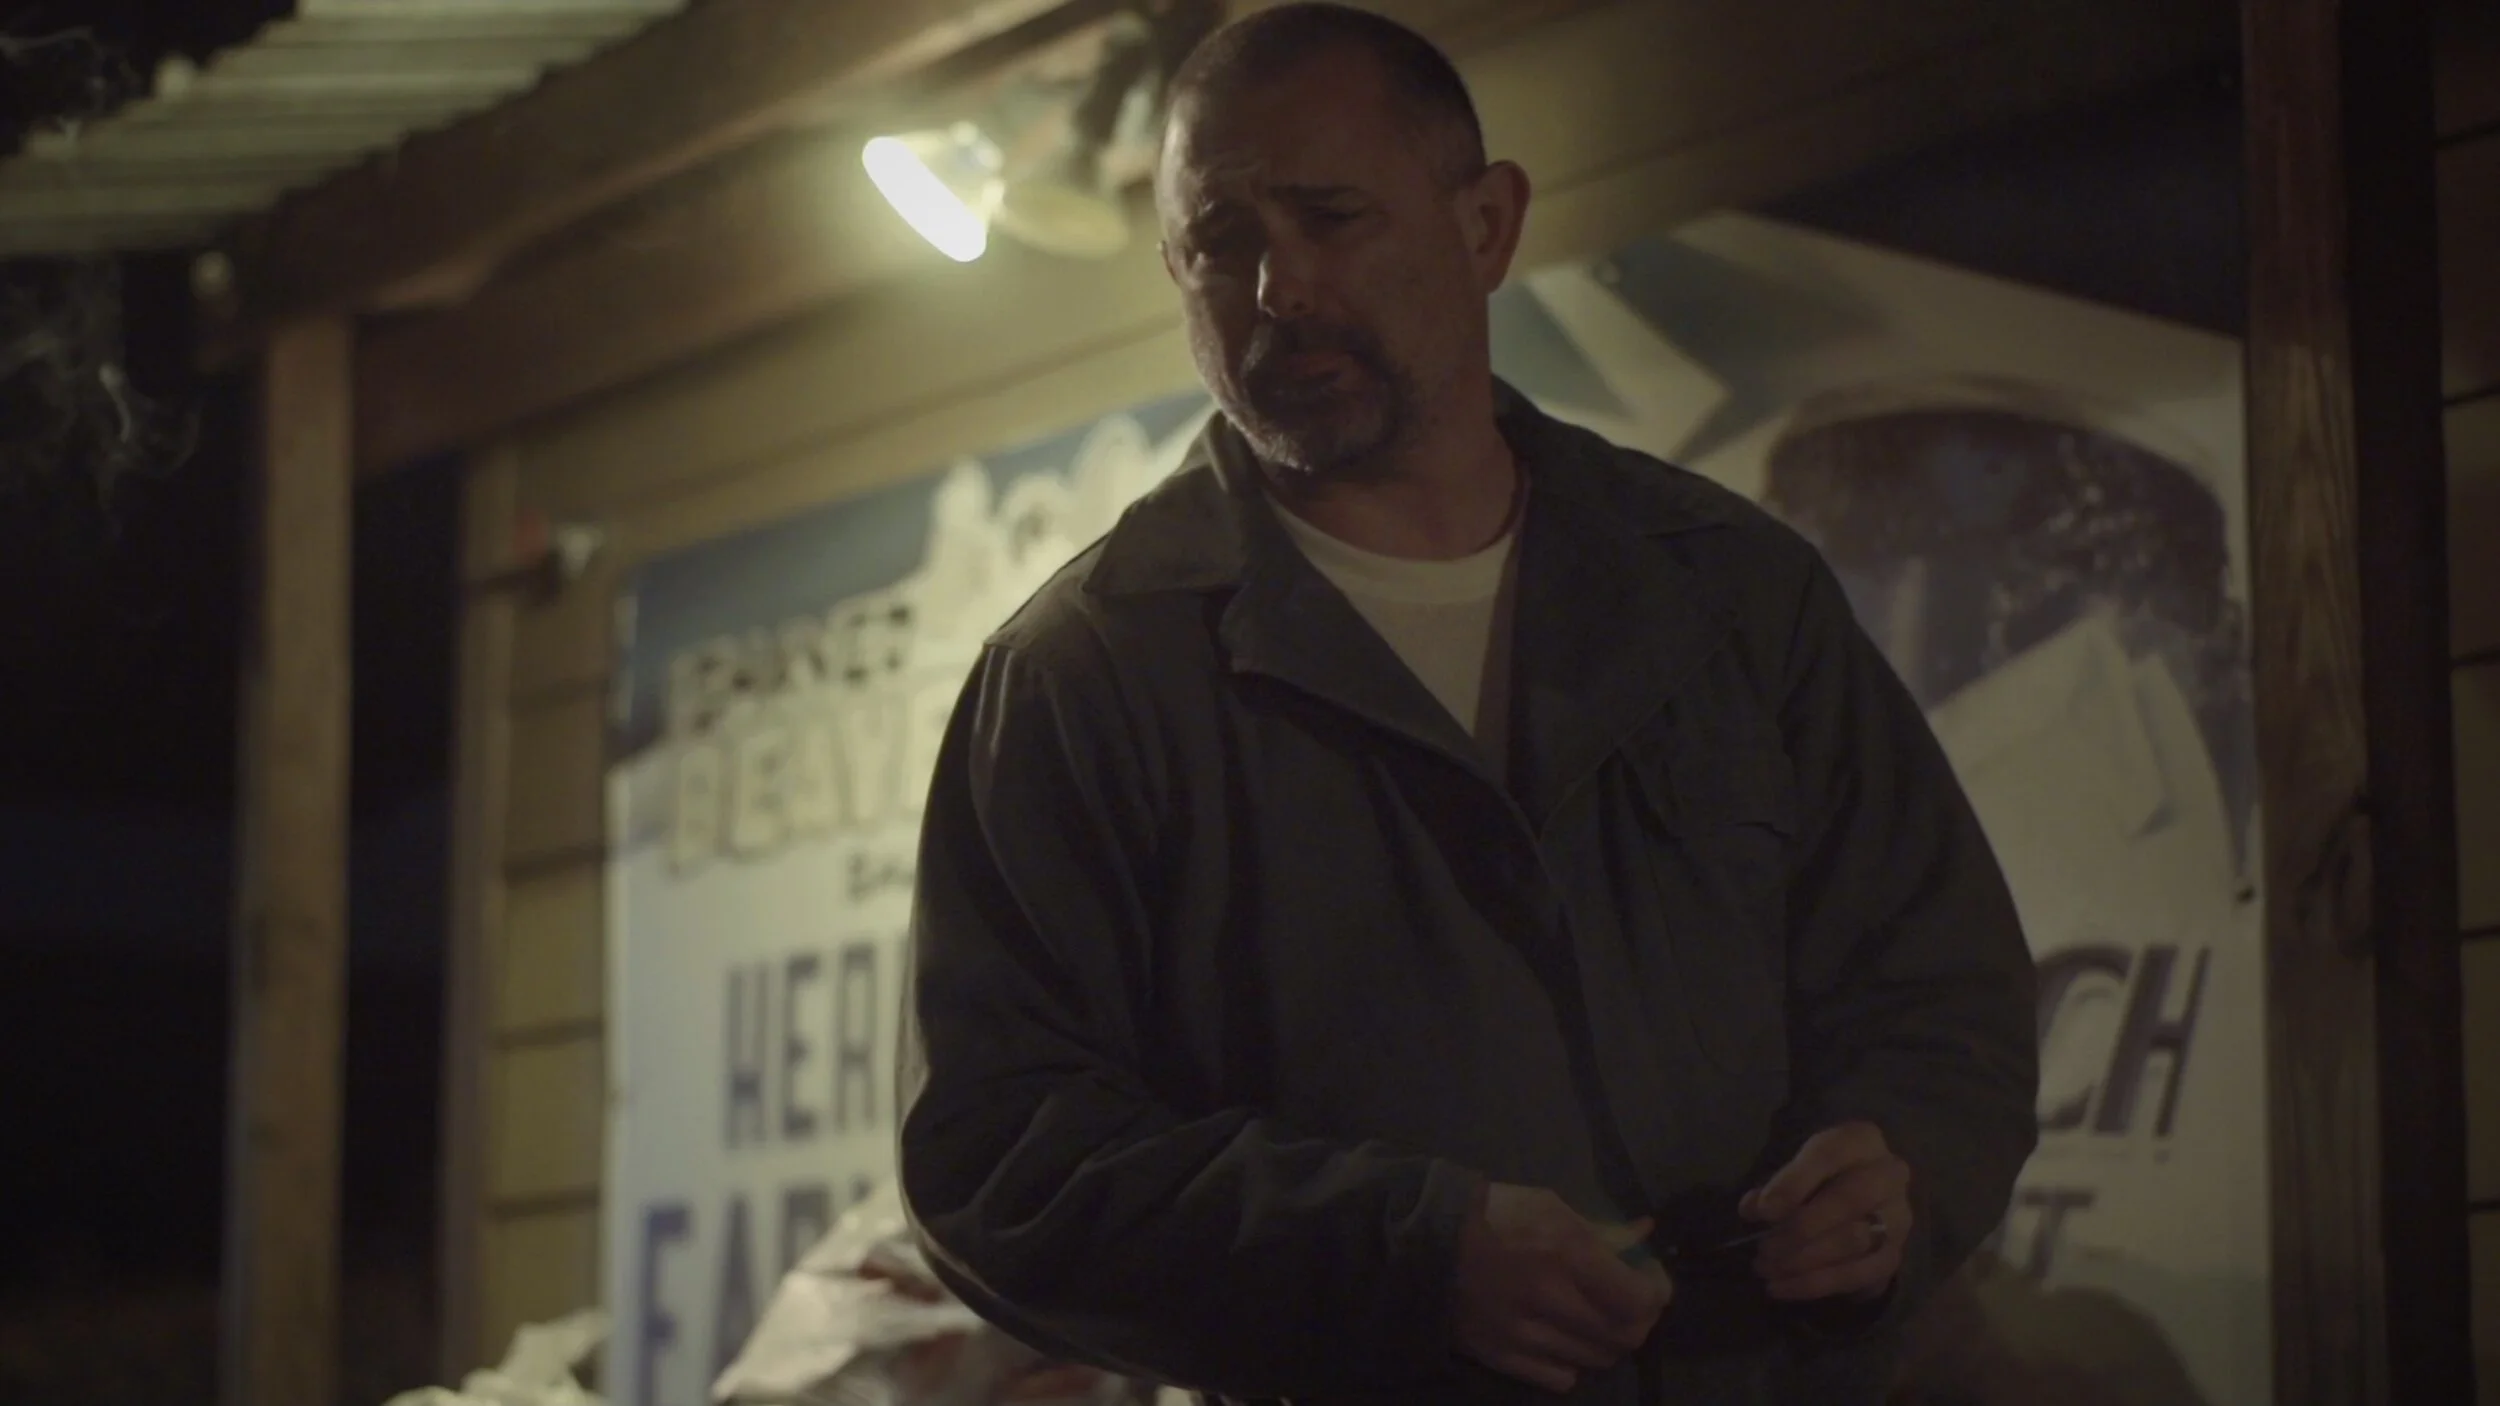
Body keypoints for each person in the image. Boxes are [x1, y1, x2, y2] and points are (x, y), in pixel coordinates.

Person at [895, 6, 2039, 1404]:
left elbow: (1944, 998)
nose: (1278, 288)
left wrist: (1895, 1174)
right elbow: (996, 1155)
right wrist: (1404, 1258)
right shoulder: (1090, 675)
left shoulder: (1735, 594)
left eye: (1331, 216)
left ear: (1487, 225)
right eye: (1221, 242)